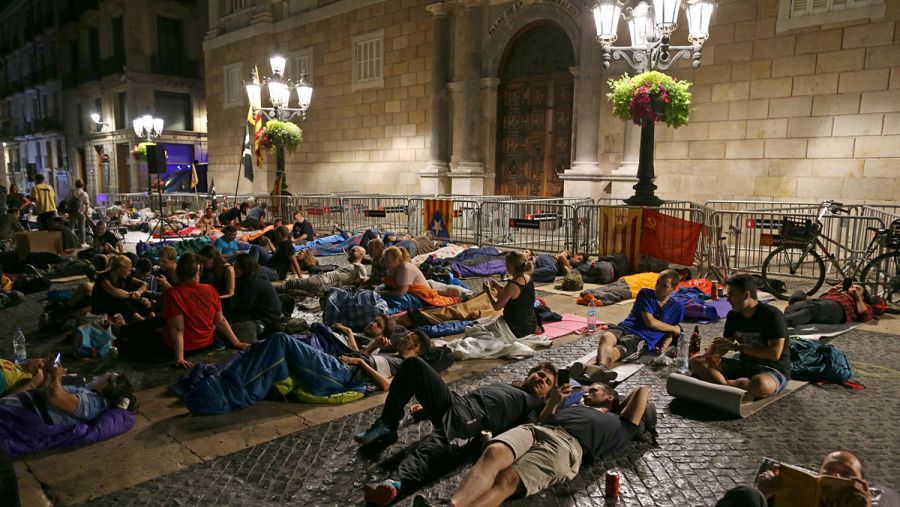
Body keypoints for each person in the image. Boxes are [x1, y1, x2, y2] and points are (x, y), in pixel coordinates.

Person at [357, 362, 558, 506]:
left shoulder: (533, 407)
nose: (542, 379)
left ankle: (396, 484)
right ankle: (387, 424)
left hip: (474, 420)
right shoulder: (511, 387)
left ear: (547, 394)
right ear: (529, 374)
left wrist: (554, 402)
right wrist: (427, 410)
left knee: (434, 446)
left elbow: (528, 431)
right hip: (457, 402)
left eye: (547, 382)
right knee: (414, 366)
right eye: (539, 374)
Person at [449, 384, 654, 507]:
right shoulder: (578, 406)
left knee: (507, 479)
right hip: (538, 429)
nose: (586, 394)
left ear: (610, 397)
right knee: (493, 452)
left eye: (593, 391)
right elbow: (544, 419)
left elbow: (642, 389)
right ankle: (453, 504)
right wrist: (555, 400)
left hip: (568, 447)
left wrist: (618, 405)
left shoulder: (624, 424)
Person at [118, 253, 249, 368]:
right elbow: (220, 321)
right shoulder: (211, 289)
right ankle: (123, 329)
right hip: (206, 343)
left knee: (130, 344)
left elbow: (178, 329)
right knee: (157, 321)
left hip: (183, 347)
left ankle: (120, 330)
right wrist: (236, 342)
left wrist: (179, 358)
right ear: (198, 272)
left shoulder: (173, 293)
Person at [689, 274, 790, 399]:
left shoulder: (772, 315)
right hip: (744, 365)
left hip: (772, 369)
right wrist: (712, 354)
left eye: (732, 295)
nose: (728, 300)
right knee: (696, 361)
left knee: (760, 384)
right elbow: (726, 343)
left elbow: (774, 353)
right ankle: (729, 388)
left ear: (746, 295)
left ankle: (720, 385)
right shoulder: (733, 315)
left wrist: (737, 347)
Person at [586, 269, 683, 378]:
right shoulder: (645, 293)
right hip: (625, 327)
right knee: (606, 337)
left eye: (664, 285)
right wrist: (674, 329)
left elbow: (672, 332)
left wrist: (666, 341)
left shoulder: (677, 307)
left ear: (673, 289)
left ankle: (588, 366)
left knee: (617, 350)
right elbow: (650, 322)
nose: (658, 287)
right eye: (658, 282)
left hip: (641, 338)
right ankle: (601, 368)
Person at [717, 450, 900, 507]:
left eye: (846, 473)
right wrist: (764, 492)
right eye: (829, 470)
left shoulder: (875, 499)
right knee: (747, 495)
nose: (836, 476)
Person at [0, 366, 138, 426]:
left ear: (108, 386)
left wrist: (57, 376)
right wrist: (48, 376)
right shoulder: (87, 393)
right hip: (10, 408)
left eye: (106, 375)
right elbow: (47, 392)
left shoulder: (95, 403)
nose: (100, 376)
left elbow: (56, 397)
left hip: (15, 416)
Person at [380, 246, 458, 311]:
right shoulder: (392, 268)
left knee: (396, 300)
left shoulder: (405, 268)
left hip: (421, 296)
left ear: (397, 260)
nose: (384, 262)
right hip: (411, 293)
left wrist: (384, 293)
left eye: (387, 260)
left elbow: (402, 292)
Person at [483, 251, 538, 338]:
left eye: (506, 264)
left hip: (516, 328)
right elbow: (514, 294)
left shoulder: (512, 285)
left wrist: (488, 291)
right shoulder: (527, 277)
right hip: (530, 325)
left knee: (480, 330)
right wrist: (497, 286)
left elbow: (497, 307)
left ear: (511, 266)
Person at [228, 253, 285, 336]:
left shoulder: (252, 283)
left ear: (244, 268)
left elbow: (242, 308)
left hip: (269, 318)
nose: (234, 270)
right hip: (271, 314)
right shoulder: (253, 277)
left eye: (236, 268)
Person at [279, 246, 368, 295]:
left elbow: (363, 280)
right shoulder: (353, 266)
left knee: (292, 283)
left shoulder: (360, 266)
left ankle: (269, 289)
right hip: (324, 280)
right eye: (351, 250)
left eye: (354, 251)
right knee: (294, 288)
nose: (351, 252)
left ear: (362, 255)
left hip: (324, 281)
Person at [784, 282, 878, 327]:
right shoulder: (838, 292)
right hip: (821, 302)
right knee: (797, 296)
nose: (853, 288)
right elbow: (821, 298)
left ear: (863, 296)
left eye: (857, 288)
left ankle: (782, 322)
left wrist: (857, 297)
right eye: (852, 286)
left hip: (839, 308)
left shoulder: (861, 302)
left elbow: (866, 316)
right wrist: (832, 289)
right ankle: (794, 318)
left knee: (813, 309)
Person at [91, 254, 153, 322]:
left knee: (144, 299)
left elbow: (144, 284)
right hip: (102, 306)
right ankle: (144, 323)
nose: (130, 273)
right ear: (120, 269)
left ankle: (154, 320)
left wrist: (138, 292)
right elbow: (114, 291)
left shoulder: (124, 276)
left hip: (115, 302)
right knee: (124, 303)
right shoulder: (103, 278)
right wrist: (137, 297)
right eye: (128, 270)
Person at [65, 179, 91, 246]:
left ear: (75, 184)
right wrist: (87, 210)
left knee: (71, 228)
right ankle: (82, 242)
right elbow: (87, 203)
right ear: (83, 185)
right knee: (81, 228)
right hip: (81, 212)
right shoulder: (84, 193)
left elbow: (67, 201)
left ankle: (71, 241)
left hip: (72, 212)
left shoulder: (71, 192)